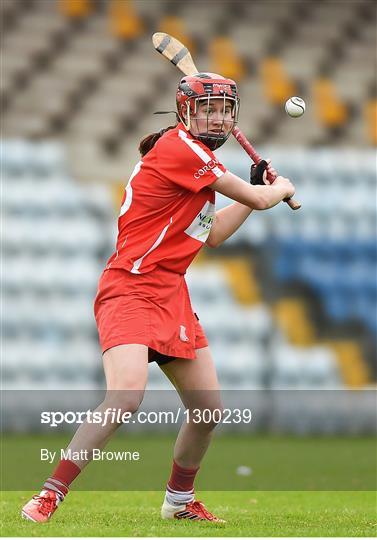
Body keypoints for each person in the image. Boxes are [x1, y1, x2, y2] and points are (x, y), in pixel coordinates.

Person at [21, 72, 295, 523]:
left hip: (171, 292)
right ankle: (50, 494)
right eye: (209, 108)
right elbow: (264, 200)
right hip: (130, 286)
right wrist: (275, 189)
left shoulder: (199, 169)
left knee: (207, 410)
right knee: (125, 397)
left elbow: (215, 233)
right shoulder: (179, 150)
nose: (219, 117)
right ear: (185, 112)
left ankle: (179, 502)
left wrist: (252, 192)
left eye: (227, 110)